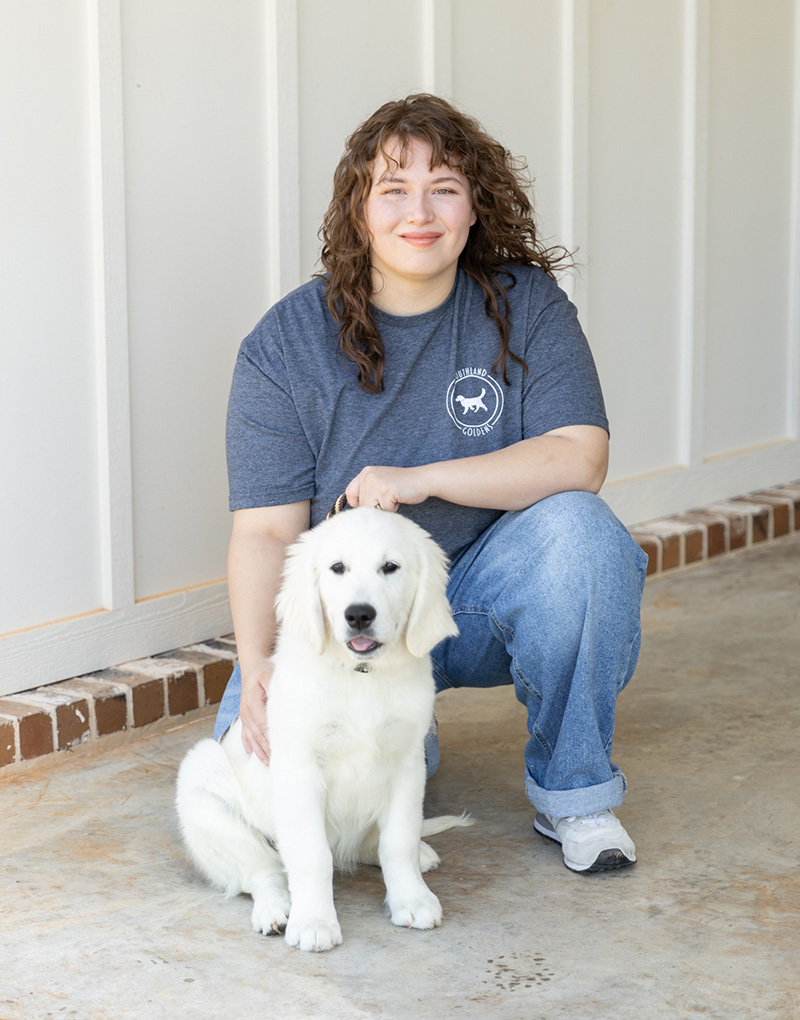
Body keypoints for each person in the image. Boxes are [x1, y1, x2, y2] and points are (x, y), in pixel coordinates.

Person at [213, 93, 648, 874]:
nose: (421, 211)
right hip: (342, 627)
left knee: (584, 533)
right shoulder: (284, 345)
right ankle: (408, 739)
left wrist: (424, 479)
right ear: (359, 211)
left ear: (476, 206)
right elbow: (265, 533)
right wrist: (257, 671)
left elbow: (580, 456)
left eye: (444, 187)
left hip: (473, 600)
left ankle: (576, 798)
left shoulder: (525, 308)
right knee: (264, 810)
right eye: (393, 189)